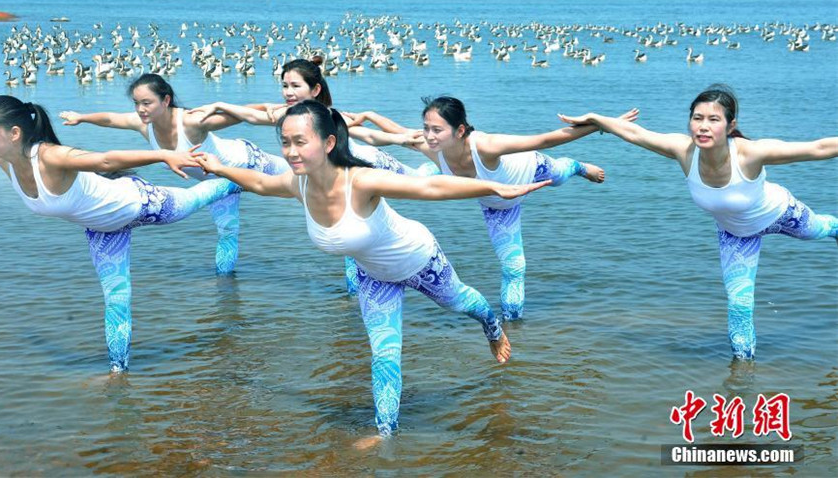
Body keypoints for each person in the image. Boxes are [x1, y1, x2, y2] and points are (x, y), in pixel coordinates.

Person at [192, 100, 550, 448]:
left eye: (301, 141)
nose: (291, 151)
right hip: (373, 276)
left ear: (329, 142)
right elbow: (257, 182)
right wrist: (218, 166)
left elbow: (431, 187)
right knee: (384, 354)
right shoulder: (296, 184)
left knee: (462, 304)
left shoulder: (359, 181)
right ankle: (385, 432)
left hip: (419, 260)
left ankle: (491, 325)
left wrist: (494, 187)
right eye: (285, 142)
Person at [0, 95, 240, 372]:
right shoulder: (8, 162)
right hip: (103, 230)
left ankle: (238, 181)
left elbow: (106, 161)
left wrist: (164, 155)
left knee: (195, 200)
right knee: (116, 300)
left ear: (13, 133)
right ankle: (118, 371)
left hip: (139, 203)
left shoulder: (51, 156)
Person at [558, 84, 838, 359]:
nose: (703, 126)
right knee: (739, 305)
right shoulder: (684, 151)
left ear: (730, 126)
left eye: (713, 119)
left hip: (781, 214)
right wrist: (595, 117)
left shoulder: (750, 153)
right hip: (736, 236)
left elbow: (819, 148)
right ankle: (742, 376)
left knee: (821, 229)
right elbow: (634, 133)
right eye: (697, 118)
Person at [348, 97, 634, 321]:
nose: (429, 135)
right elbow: (394, 133)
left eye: (437, 129)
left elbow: (547, 138)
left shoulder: (486, 145)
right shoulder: (430, 146)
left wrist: (605, 125)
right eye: (426, 128)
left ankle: (577, 166)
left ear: (459, 130)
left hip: (533, 171)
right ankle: (513, 327)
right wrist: (366, 117)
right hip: (498, 205)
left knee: (559, 173)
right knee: (514, 267)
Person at [192, 58, 438, 294]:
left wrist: (400, 139)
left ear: (315, 89)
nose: (288, 92)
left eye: (295, 86)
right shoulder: (288, 116)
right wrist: (221, 105)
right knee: (352, 241)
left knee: (422, 179)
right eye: (285, 86)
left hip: (369, 163)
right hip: (339, 181)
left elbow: (368, 136)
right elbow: (251, 117)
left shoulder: (327, 115)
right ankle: (354, 302)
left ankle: (438, 169)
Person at [58, 73, 288, 275]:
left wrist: (273, 107)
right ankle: (226, 297)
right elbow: (110, 119)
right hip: (217, 182)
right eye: (136, 103)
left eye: (147, 103)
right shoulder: (142, 124)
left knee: (298, 178)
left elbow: (241, 115)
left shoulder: (191, 121)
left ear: (166, 100)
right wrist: (81, 117)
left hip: (248, 162)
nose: (140, 109)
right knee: (226, 232)